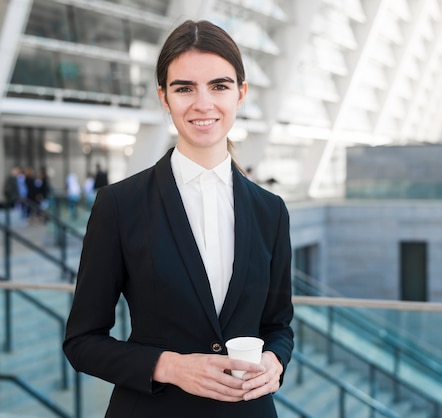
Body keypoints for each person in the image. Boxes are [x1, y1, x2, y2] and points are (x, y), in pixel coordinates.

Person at [63, 19, 294, 418]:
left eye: (219, 86)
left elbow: (278, 326)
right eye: (184, 88)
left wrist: (275, 361)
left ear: (241, 94)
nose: (202, 103)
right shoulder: (119, 205)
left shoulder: (270, 210)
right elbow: (82, 341)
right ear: (164, 98)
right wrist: (168, 366)